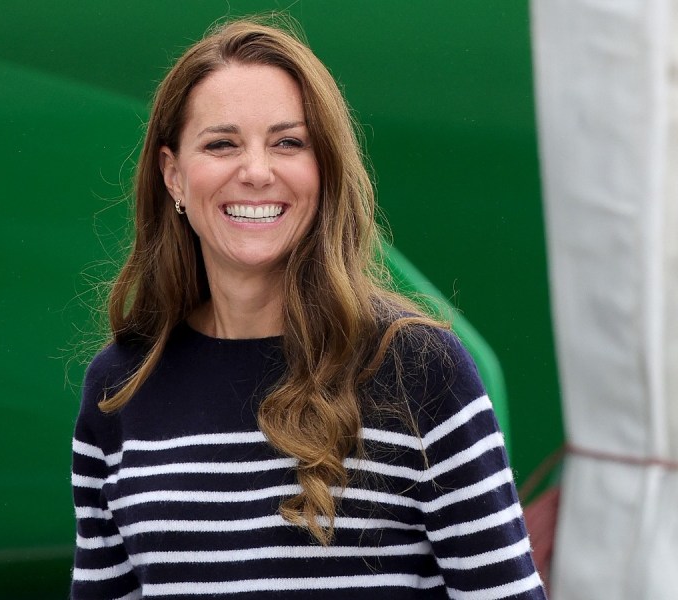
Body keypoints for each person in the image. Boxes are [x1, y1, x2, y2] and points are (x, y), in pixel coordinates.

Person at [71, 17, 547, 600]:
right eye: (221, 144)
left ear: (323, 170)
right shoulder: (120, 387)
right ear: (173, 175)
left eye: (288, 143)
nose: (255, 171)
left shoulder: (418, 370)